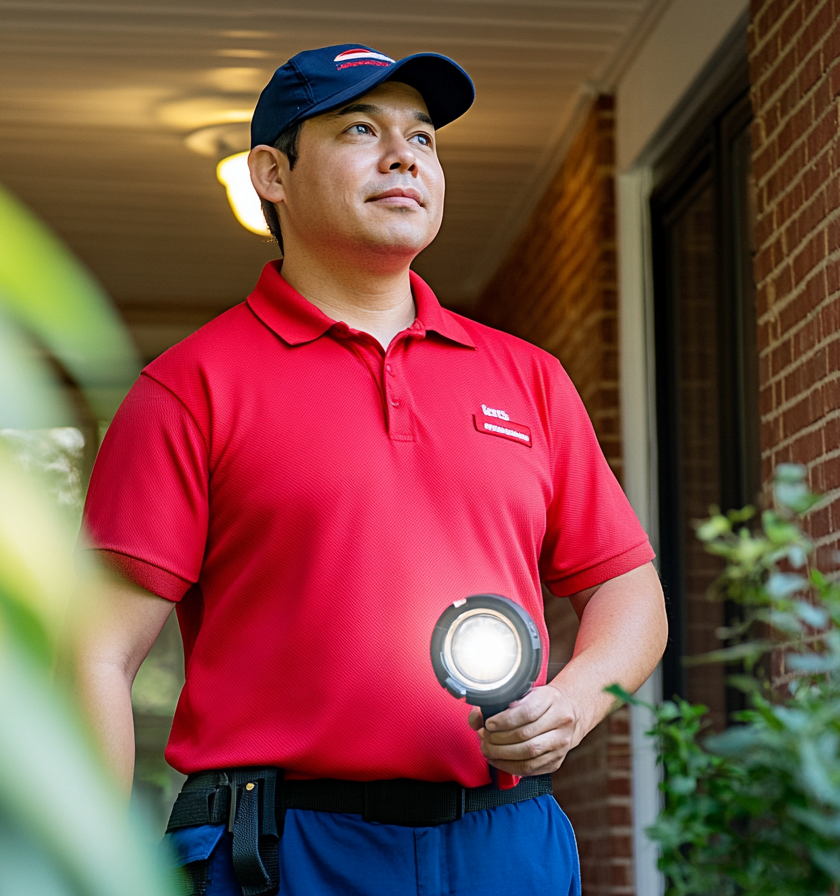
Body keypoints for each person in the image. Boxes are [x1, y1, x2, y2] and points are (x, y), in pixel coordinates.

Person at [73, 43, 668, 896]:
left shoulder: (527, 377)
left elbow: (631, 593)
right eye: (361, 128)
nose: (404, 156)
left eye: (423, 139)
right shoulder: (189, 388)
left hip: (505, 843)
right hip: (281, 853)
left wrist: (574, 702)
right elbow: (95, 654)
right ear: (271, 174)